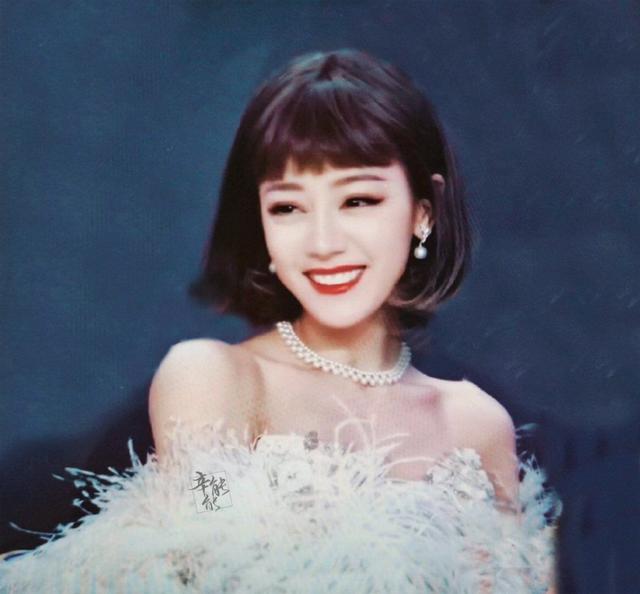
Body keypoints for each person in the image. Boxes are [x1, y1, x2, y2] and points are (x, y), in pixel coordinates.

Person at [0, 49, 560, 593]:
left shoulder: (475, 421)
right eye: (288, 207)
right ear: (261, 225)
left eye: (358, 201)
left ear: (423, 213)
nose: (323, 242)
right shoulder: (212, 378)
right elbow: (201, 550)